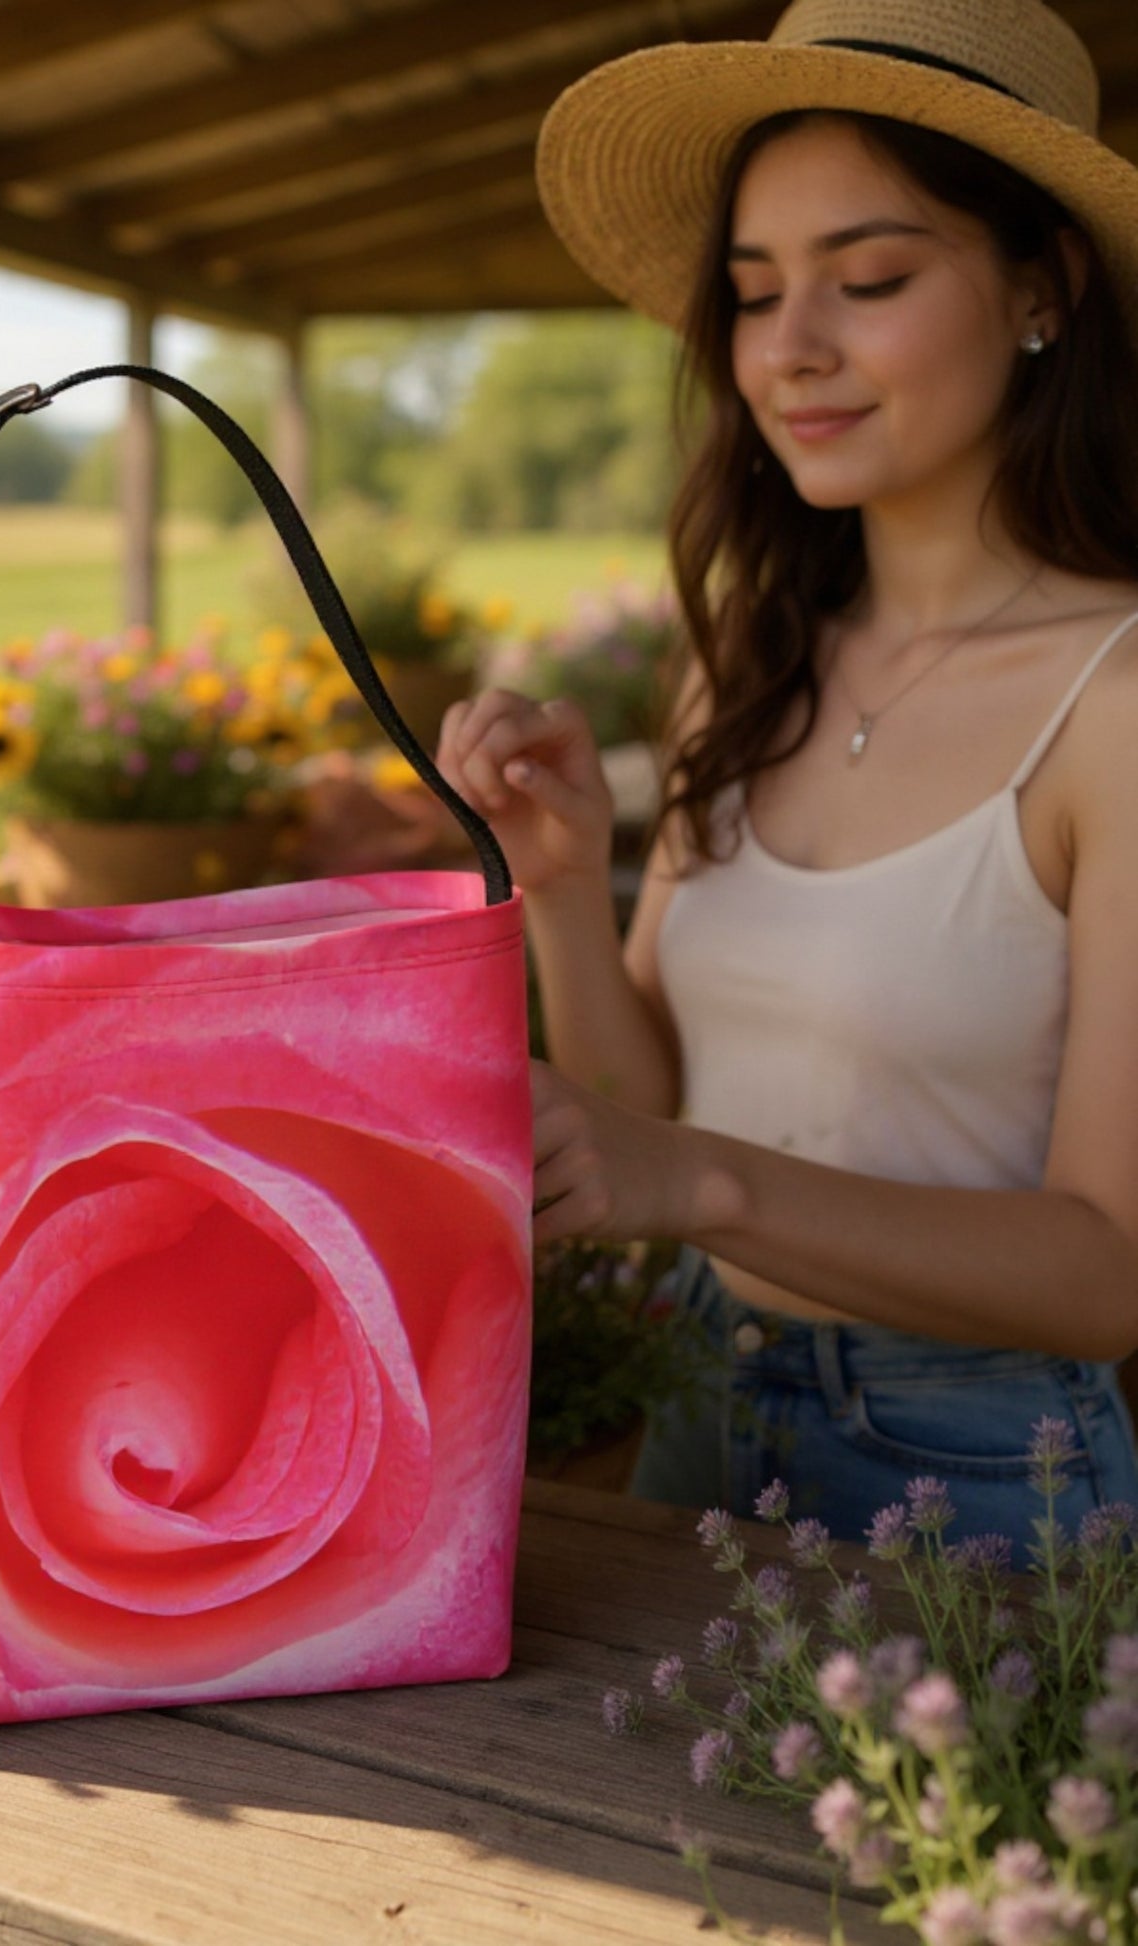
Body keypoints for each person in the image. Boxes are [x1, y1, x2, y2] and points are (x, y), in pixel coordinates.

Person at [436, 0, 1138, 1555]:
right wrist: (556, 878)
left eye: (869, 279)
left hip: (978, 1477)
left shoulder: (1116, 704)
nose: (790, 349)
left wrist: (699, 1181)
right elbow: (650, 1116)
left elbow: (1107, 1271)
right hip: (700, 1403)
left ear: (1042, 287)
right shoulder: (751, 658)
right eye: (754, 296)